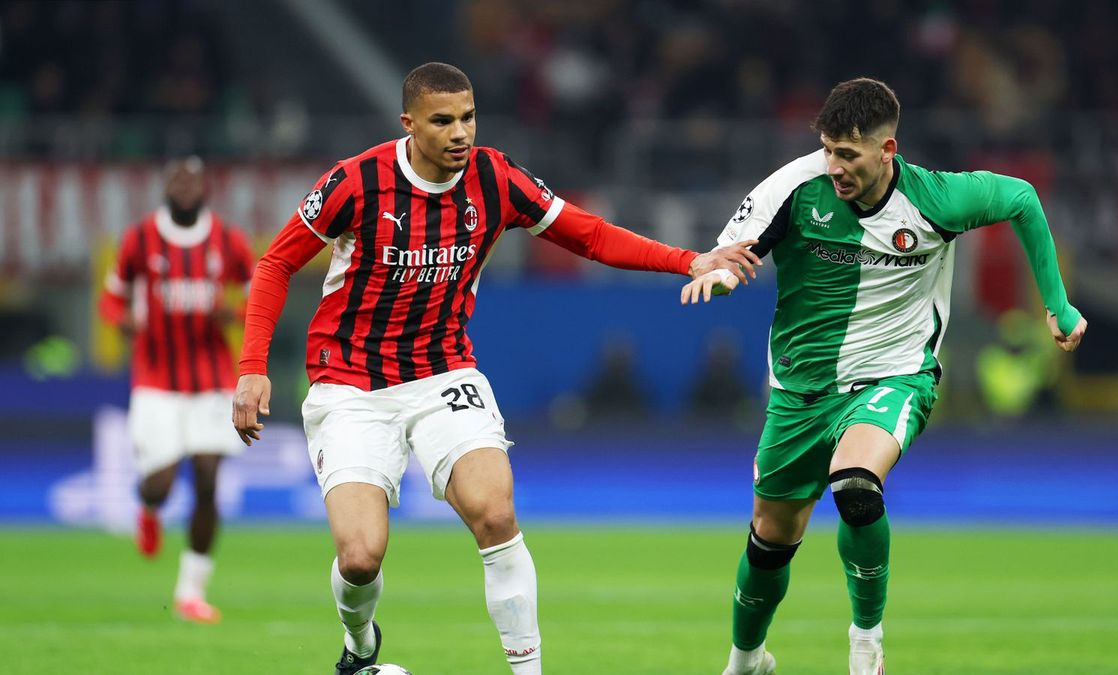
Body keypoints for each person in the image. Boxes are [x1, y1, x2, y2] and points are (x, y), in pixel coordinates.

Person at [231, 62, 760, 675]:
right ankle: (359, 647)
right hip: (350, 383)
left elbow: (586, 235)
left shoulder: (495, 177)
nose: (461, 132)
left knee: (496, 513)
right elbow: (273, 264)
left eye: (468, 117)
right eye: (443, 121)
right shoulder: (357, 182)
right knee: (360, 558)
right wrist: (252, 367)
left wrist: (688, 260)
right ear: (408, 124)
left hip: (443, 373)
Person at [681, 78, 1088, 675]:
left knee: (854, 484)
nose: (835, 166)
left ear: (887, 150)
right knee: (770, 539)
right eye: (828, 151)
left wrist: (1055, 303)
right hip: (799, 392)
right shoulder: (793, 189)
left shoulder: (936, 200)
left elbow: (1022, 198)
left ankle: (866, 642)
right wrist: (718, 272)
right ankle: (747, 660)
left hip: (894, 377)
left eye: (848, 154)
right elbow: (731, 251)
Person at [97, 156, 256, 624]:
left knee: (208, 480)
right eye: (177, 180)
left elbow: (259, 286)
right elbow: (111, 296)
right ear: (165, 187)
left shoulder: (228, 240)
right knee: (161, 483)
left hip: (212, 380)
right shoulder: (139, 239)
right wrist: (123, 320)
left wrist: (236, 312)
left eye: (193, 180)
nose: (185, 188)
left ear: (205, 188)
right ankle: (147, 508)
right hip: (157, 380)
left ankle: (191, 592)